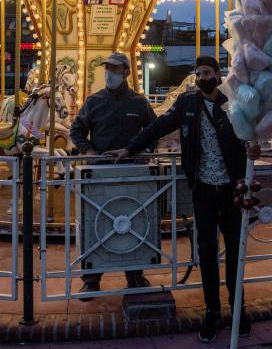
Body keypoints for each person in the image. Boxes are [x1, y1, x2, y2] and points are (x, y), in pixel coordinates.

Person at [109, 55, 257, 342]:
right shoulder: (188, 103)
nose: (202, 78)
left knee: (235, 252)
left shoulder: (233, 102)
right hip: (203, 188)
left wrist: (256, 148)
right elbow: (161, 125)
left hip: (231, 189)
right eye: (198, 73)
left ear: (217, 74)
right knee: (207, 252)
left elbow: (252, 129)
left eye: (207, 73)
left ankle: (238, 308)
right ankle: (212, 311)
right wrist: (130, 147)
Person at [68, 52, 157, 297]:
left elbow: (154, 129)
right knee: (96, 221)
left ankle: (135, 273)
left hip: (131, 170)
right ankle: (92, 276)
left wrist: (146, 150)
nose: (109, 73)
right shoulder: (93, 101)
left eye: (114, 69)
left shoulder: (139, 102)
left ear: (126, 72)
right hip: (101, 171)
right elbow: (76, 131)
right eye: (107, 68)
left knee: (135, 221)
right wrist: (89, 150)